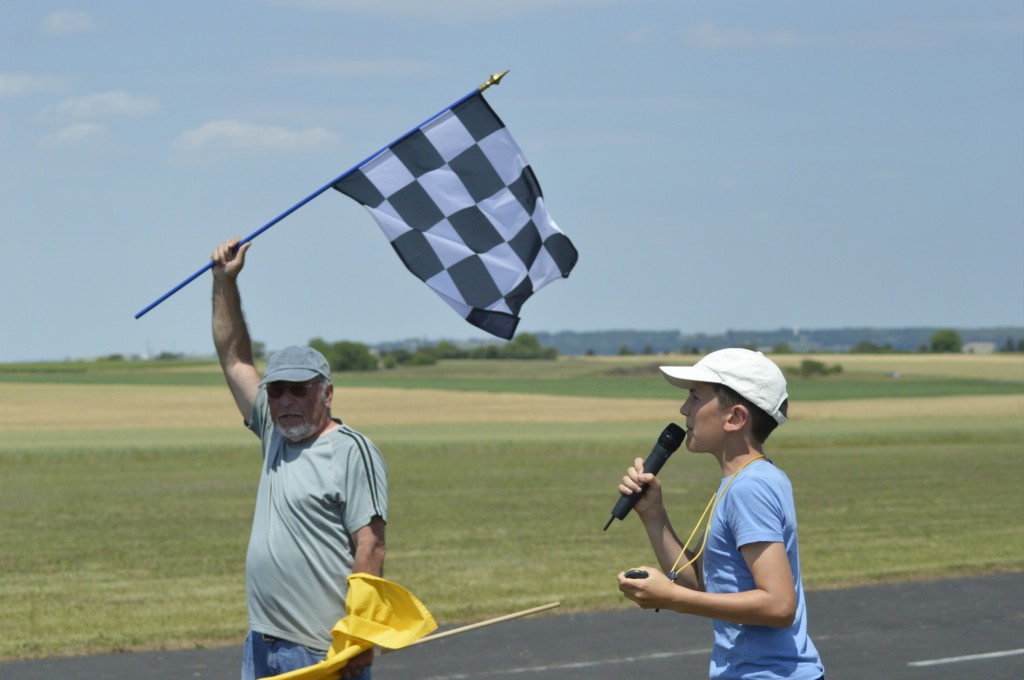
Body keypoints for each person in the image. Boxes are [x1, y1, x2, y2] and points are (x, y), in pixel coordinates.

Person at [211, 237, 388, 680]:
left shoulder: (352, 449)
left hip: (320, 649)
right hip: (262, 643)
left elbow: (371, 544)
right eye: (277, 390)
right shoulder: (273, 431)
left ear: (326, 393)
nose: (286, 400)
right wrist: (223, 283)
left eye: (300, 389)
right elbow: (234, 358)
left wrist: (360, 637)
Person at [616, 348, 824, 679]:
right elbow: (705, 583)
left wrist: (671, 597)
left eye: (695, 397)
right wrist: (653, 515)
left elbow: (779, 605)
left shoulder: (749, 488)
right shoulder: (744, 481)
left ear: (735, 417)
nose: (684, 408)